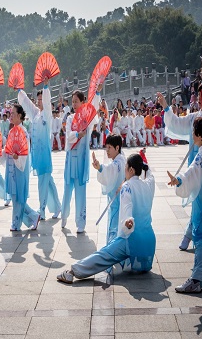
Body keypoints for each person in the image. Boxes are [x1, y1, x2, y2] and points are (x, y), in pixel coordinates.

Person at [57, 153, 155, 284]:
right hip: (149, 245)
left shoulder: (127, 187)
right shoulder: (148, 184)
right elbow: (150, 176)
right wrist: (146, 168)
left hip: (132, 239)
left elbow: (127, 207)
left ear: (131, 170)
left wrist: (128, 221)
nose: (124, 170)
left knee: (104, 254)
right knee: (113, 249)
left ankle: (72, 271)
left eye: (126, 167)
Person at [157, 62, 202, 250]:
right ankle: (193, 237)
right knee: (197, 202)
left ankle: (198, 239)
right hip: (195, 165)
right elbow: (175, 123)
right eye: (198, 93)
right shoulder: (194, 117)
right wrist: (166, 107)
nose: (199, 97)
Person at [167, 118, 202, 293]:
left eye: (193, 131)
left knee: (200, 239)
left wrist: (178, 180)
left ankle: (196, 279)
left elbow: (191, 172)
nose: (192, 134)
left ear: (198, 135)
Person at [17, 78, 61, 220]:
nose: (39, 101)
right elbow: (27, 104)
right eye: (38, 99)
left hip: (45, 155)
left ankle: (42, 210)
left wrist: (46, 86)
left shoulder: (47, 114)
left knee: (43, 181)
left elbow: (47, 103)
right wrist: (19, 91)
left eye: (42, 99)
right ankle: (58, 206)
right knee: (48, 181)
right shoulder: (35, 114)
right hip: (36, 154)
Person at [62, 85, 101, 233]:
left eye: (76, 101)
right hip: (71, 158)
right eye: (72, 101)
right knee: (67, 189)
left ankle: (80, 222)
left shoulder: (88, 119)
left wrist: (97, 93)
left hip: (82, 160)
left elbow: (94, 108)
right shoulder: (71, 118)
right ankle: (64, 216)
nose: (74, 104)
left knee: (80, 190)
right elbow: (68, 136)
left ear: (83, 102)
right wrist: (78, 135)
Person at [0, 104, 40, 231]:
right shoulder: (11, 132)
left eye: (14, 114)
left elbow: (24, 153)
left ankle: (16, 223)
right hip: (11, 167)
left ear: (20, 116)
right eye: (11, 114)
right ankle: (33, 216)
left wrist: (18, 158)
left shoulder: (24, 133)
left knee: (19, 196)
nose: (11, 116)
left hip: (20, 168)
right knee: (16, 197)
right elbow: (7, 150)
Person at [91, 134, 126, 244]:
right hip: (119, 200)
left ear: (117, 148)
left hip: (117, 201)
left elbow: (111, 169)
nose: (107, 150)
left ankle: (113, 252)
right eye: (106, 147)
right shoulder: (122, 158)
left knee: (114, 227)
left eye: (109, 147)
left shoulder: (118, 162)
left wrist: (100, 167)